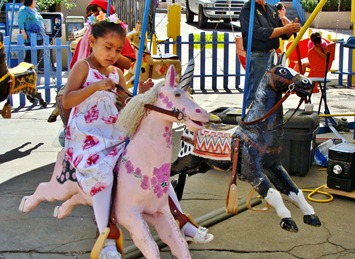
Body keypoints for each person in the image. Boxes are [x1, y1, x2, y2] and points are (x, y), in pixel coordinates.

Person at [240, 0, 301, 107]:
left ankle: (269, 118)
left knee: (272, 90)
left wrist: (291, 29)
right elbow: (258, 33)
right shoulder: (248, 9)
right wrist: (284, 29)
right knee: (255, 90)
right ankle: (250, 118)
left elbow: (282, 33)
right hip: (257, 55)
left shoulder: (272, 8)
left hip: (272, 54)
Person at [17, 0, 45, 72]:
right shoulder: (24, 10)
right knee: (30, 54)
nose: (36, 1)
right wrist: (23, 33)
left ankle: (34, 68)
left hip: (39, 35)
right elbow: (21, 22)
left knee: (37, 53)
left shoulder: (35, 10)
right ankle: (26, 70)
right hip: (30, 35)